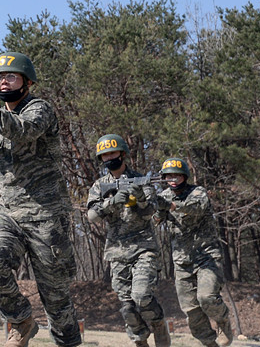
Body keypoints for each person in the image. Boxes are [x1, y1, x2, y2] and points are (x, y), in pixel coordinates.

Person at [0, 52, 81, 347]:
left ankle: (68, 342)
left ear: (27, 81)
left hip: (47, 215)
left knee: (57, 301)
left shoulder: (40, 109)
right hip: (9, 212)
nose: (2, 82)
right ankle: (22, 320)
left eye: (10, 76)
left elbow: (22, 131)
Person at [86, 134, 171, 347]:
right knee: (128, 307)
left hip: (144, 248)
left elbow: (149, 213)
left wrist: (140, 200)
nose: (109, 158)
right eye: (105, 156)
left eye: (113, 153)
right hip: (117, 250)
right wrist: (112, 202)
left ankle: (159, 324)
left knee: (141, 296)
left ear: (123, 154)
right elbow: (92, 217)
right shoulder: (99, 186)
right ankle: (140, 341)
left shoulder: (142, 180)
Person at [153, 158, 232, 347]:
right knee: (191, 310)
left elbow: (194, 210)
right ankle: (209, 343)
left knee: (206, 297)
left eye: (177, 175)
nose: (172, 179)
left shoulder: (198, 192)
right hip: (182, 261)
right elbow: (156, 220)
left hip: (206, 257)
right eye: (169, 175)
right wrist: (151, 204)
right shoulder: (163, 196)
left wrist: (167, 205)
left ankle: (223, 321)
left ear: (184, 176)